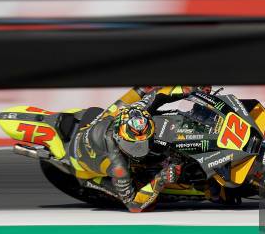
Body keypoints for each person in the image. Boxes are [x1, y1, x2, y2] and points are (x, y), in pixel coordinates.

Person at [70, 86, 210, 212]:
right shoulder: (119, 167)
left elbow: (158, 93)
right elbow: (134, 205)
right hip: (85, 170)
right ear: (120, 139)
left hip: (99, 122)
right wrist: (160, 179)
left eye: (145, 140)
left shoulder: (134, 112)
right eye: (135, 146)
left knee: (144, 89)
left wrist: (191, 89)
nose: (141, 149)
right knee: (148, 201)